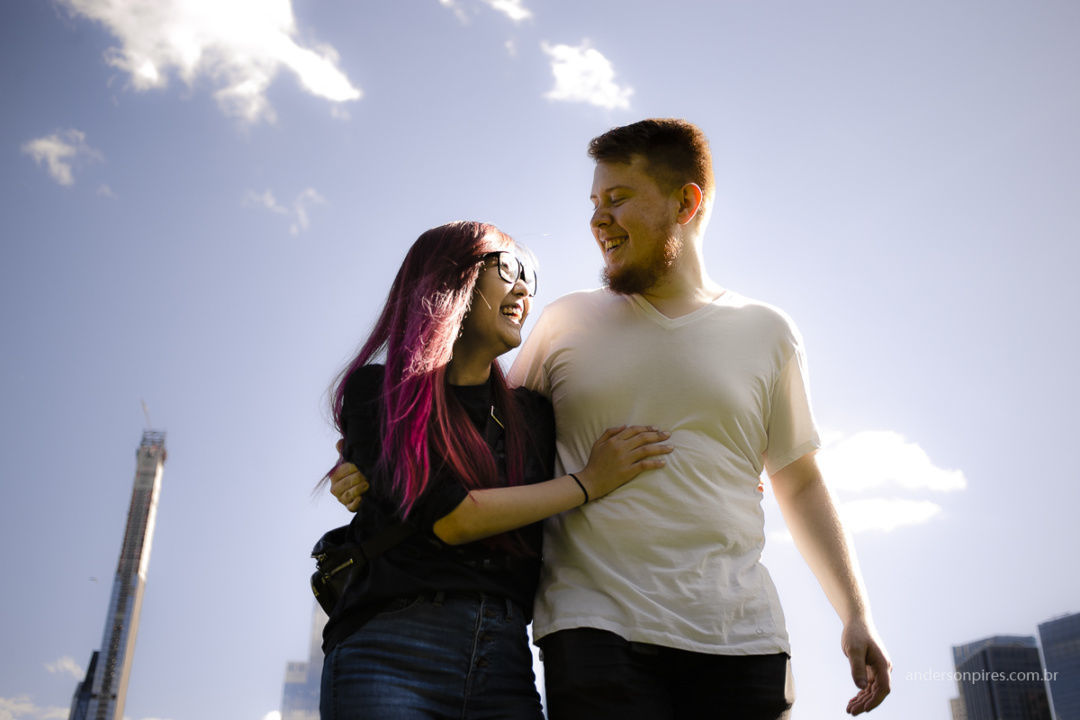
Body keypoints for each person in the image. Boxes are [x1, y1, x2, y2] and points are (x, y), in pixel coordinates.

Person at [332, 121, 892, 719]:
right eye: (594, 203)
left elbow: (800, 481)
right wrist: (369, 463)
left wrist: (855, 613)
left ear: (686, 202)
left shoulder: (768, 332)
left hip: (744, 637)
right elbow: (476, 439)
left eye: (617, 199)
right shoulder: (564, 324)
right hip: (595, 632)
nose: (598, 219)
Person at [318, 220, 672, 720]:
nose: (524, 289)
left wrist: (720, 468)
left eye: (529, 277)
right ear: (451, 277)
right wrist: (587, 483)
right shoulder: (378, 392)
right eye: (508, 268)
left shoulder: (532, 414)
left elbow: (628, 428)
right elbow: (453, 518)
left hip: (503, 659)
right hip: (389, 649)